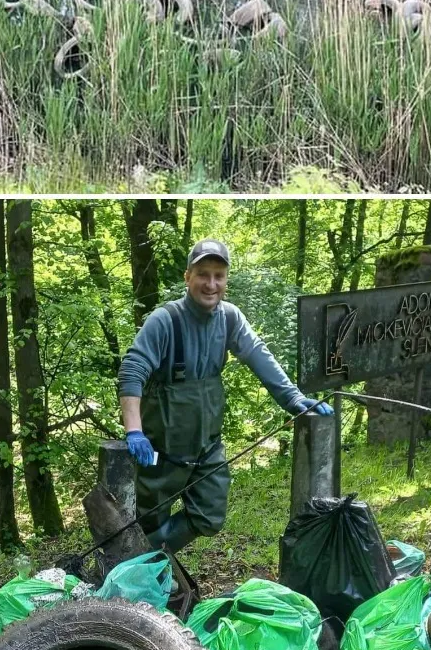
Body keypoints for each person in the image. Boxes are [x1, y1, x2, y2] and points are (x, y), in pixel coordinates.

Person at [118, 238, 333, 556]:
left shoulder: (229, 318)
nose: (211, 283)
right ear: (187, 277)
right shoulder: (165, 321)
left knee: (210, 516)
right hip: (161, 453)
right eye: (203, 274)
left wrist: (293, 399)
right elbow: (132, 371)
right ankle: (139, 576)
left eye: (219, 275)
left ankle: (144, 560)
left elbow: (258, 355)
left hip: (207, 448)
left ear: (226, 280)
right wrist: (134, 430)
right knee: (149, 523)